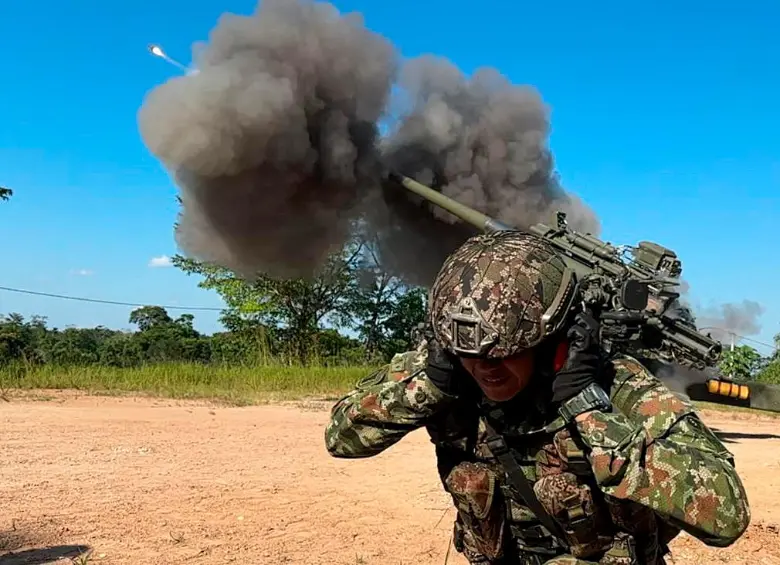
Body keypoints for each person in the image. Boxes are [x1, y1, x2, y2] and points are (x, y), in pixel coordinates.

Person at [324, 230, 750, 564]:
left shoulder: (617, 385)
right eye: (469, 355)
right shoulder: (448, 368)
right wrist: (430, 387)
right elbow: (341, 437)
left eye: (504, 353)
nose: (485, 369)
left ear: (551, 343)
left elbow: (727, 515)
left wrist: (589, 410)